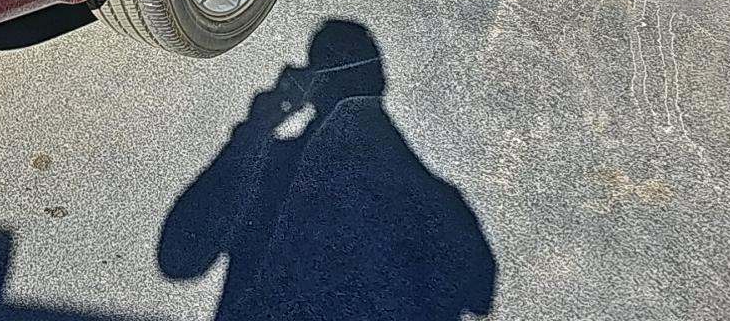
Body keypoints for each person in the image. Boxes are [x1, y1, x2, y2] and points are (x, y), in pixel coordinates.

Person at [159, 19, 497, 320]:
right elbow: (478, 292)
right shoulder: (437, 201)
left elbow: (180, 259)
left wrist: (258, 129)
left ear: (315, 90)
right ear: (379, 84)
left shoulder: (271, 173)